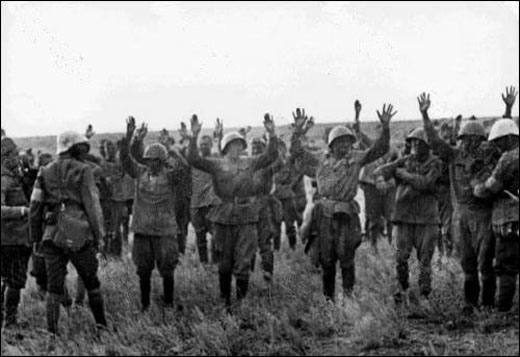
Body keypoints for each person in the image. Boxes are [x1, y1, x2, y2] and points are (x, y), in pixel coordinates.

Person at [291, 104, 394, 301]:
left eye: (348, 142)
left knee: (347, 259)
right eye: (340, 142)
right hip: (324, 216)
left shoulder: (356, 159)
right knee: (326, 260)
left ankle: (349, 298)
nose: (345, 146)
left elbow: (380, 149)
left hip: (346, 216)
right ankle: (328, 299)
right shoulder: (321, 161)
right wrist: (297, 131)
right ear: (331, 145)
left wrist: (386, 127)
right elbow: (297, 152)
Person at [419, 93, 500, 313]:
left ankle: (488, 304)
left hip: (484, 214)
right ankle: (470, 303)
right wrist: (425, 115)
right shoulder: (454, 155)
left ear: (480, 141)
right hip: (461, 215)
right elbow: (435, 142)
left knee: (485, 262)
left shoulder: (490, 160)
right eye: (464, 138)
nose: (466, 143)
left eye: (471, 139)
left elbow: (503, 140)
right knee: (467, 262)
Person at [187, 113, 278, 307]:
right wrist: (193, 136)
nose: (236, 149)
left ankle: (241, 302)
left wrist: (272, 134)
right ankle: (225, 301)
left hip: (246, 216)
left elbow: (271, 156)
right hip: (222, 216)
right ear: (225, 148)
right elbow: (193, 159)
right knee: (224, 262)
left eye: (239, 145)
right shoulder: (216, 164)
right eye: (232, 145)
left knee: (244, 261)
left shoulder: (250, 162)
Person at [29, 131, 107, 334]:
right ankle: (102, 327)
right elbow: (92, 205)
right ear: (74, 147)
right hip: (78, 232)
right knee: (91, 282)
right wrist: (99, 236)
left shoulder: (44, 171)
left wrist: (36, 237)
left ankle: (52, 335)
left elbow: (35, 206)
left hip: (52, 234)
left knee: (54, 288)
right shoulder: (84, 170)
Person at [375, 125, 442, 310]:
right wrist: (381, 179)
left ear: (428, 145)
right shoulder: (405, 160)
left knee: (425, 260)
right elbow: (380, 170)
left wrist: (402, 174)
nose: (417, 146)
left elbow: (425, 183)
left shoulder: (436, 163)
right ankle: (402, 290)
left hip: (427, 219)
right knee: (400, 258)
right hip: (404, 217)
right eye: (414, 142)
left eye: (421, 143)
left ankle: (424, 295)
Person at [121, 117, 183, 311]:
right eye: (149, 160)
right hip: (143, 230)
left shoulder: (171, 176)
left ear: (163, 161)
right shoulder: (140, 173)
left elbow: (183, 166)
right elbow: (124, 159)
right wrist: (131, 136)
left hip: (165, 231)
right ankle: (145, 305)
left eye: (157, 160)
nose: (153, 164)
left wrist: (169, 147)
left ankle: (168, 303)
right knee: (143, 270)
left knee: (167, 269)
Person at [473, 86, 519, 313]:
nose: (497, 147)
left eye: (500, 142)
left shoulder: (509, 158)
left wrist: (477, 188)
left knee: (506, 267)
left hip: (510, 220)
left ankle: (502, 311)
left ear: (510, 139)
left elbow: (490, 188)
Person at [1, 137, 32, 329]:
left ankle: (6, 320)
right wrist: (22, 211)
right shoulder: (4, 179)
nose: (17, 157)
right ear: (5, 157)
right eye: (14, 154)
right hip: (11, 239)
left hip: (14, 238)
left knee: (8, 279)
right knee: (15, 281)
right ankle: (10, 324)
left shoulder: (13, 176)